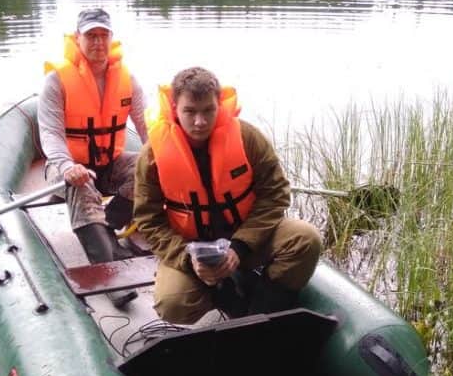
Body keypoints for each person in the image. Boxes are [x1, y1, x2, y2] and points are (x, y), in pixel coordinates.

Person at [133, 67, 322, 324]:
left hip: (246, 239)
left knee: (305, 239)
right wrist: (189, 260)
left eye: (208, 111)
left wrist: (240, 247)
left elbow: (275, 194)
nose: (199, 121)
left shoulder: (248, 138)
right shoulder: (152, 155)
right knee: (172, 304)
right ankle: (222, 293)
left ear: (218, 106)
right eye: (190, 111)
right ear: (175, 107)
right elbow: (149, 220)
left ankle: (259, 313)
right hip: (192, 249)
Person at [38, 8, 149, 306]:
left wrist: (163, 158)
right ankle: (109, 276)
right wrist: (66, 166)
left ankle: (110, 227)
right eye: (91, 36)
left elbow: (148, 127)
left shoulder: (128, 80)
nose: (98, 42)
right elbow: (50, 133)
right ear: (78, 38)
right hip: (67, 167)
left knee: (149, 167)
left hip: (109, 163)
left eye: (103, 35)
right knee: (82, 185)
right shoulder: (56, 81)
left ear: (111, 38)